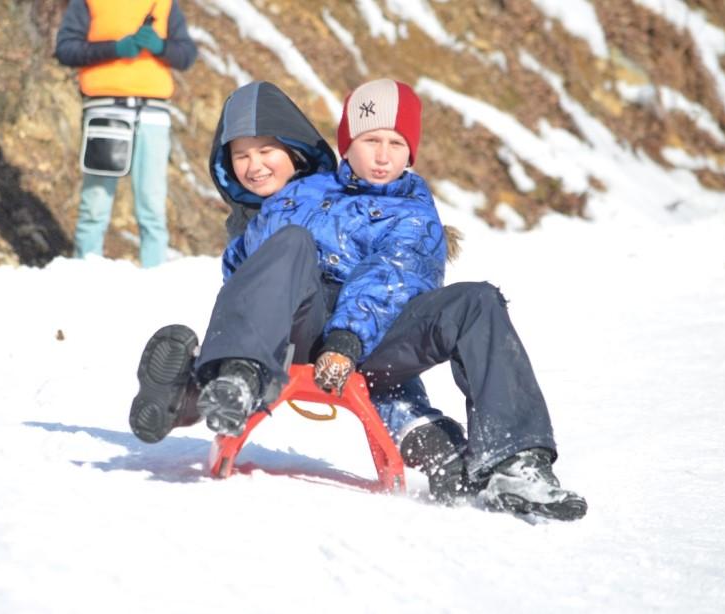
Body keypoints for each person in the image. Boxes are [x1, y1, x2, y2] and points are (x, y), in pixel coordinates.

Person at [130, 80, 467, 502]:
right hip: (278, 336)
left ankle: (205, 386)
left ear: (295, 151)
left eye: (266, 151)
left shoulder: (337, 197)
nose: (254, 166)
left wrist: (347, 339)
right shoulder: (254, 219)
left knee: (296, 253)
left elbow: (384, 280)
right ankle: (204, 391)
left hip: (342, 332)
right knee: (263, 285)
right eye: (240, 156)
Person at [55, 0, 197, 266]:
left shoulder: (164, 4)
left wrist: (161, 47)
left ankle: (153, 279)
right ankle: (85, 275)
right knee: (95, 206)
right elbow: (65, 49)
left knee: (152, 208)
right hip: (106, 111)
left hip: (153, 113)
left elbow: (187, 54)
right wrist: (115, 48)